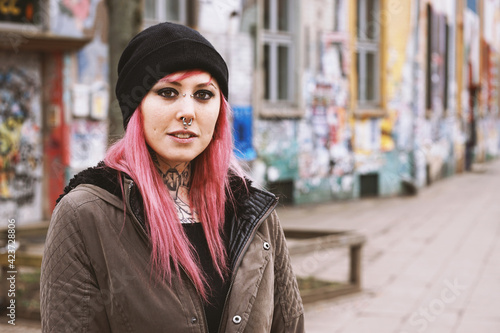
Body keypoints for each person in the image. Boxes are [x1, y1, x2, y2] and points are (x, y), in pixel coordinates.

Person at [40, 22, 304, 332]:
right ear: (136, 107)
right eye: (168, 92)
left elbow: (289, 325)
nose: (188, 112)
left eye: (204, 95)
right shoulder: (85, 213)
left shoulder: (251, 211)